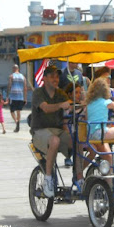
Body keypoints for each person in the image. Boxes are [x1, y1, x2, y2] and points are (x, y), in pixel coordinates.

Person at [31, 65, 83, 197]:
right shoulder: (38, 93)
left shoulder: (60, 93)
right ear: (44, 79)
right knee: (55, 140)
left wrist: (85, 104)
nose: (56, 79)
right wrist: (61, 105)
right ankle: (48, 179)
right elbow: (46, 108)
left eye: (57, 76)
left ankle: (79, 178)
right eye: (52, 76)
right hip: (40, 131)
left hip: (57, 130)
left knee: (78, 143)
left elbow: (71, 104)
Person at [7, 64, 27, 133]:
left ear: (13, 69)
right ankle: (18, 122)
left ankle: (16, 122)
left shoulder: (11, 76)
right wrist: (25, 98)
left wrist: (7, 96)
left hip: (13, 96)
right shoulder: (23, 77)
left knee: (12, 110)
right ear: (18, 69)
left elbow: (9, 86)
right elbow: (25, 88)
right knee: (19, 111)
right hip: (20, 96)